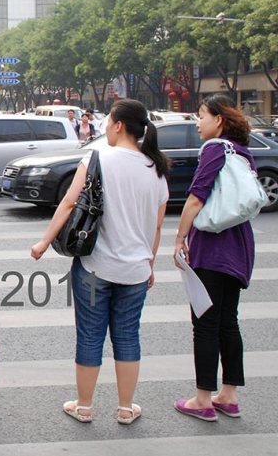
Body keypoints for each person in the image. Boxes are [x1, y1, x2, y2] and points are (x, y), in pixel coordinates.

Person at [31, 99, 169, 425]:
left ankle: (84, 406)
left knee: (91, 335)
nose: (106, 127)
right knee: (128, 337)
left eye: (109, 122)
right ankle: (125, 408)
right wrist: (149, 266)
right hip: (135, 271)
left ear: (119, 125)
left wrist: (44, 242)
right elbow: (157, 226)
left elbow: (68, 203)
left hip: (95, 268)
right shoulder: (157, 170)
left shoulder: (97, 158)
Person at [173, 94, 257, 422]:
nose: (197, 122)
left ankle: (203, 399)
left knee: (205, 322)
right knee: (228, 320)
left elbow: (196, 198)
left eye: (201, 116)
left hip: (211, 247)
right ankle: (230, 396)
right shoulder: (244, 152)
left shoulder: (214, 149)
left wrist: (180, 237)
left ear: (218, 120)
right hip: (239, 246)